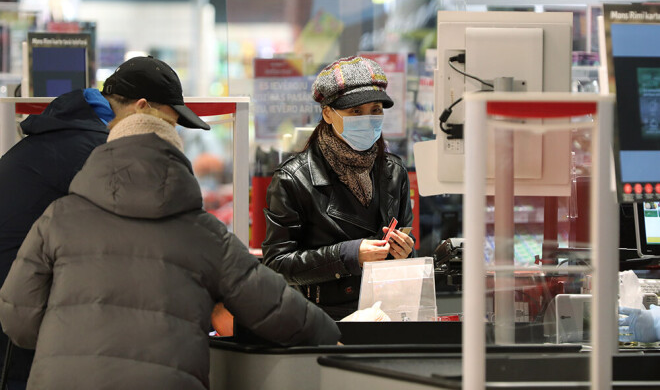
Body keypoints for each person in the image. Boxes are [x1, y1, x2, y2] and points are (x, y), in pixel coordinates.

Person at [0, 108, 340, 389]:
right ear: (175, 159)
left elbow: (18, 318)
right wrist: (329, 335)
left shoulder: (58, 218)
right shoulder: (202, 232)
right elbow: (272, 305)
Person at [0, 55, 209, 389]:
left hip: (23, 314)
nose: (167, 135)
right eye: (168, 123)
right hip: (23, 330)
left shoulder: (71, 132)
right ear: (141, 108)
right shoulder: (98, 151)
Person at [261, 55, 415, 320]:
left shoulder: (394, 172)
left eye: (376, 110)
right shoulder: (293, 179)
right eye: (356, 111)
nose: (368, 119)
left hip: (385, 316)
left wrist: (406, 254)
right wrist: (348, 255)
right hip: (320, 321)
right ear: (328, 113)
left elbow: (407, 250)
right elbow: (277, 264)